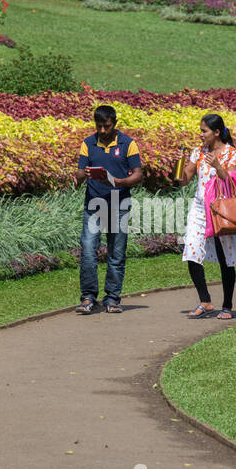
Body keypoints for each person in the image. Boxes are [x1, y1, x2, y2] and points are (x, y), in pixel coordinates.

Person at [179, 113, 236, 319]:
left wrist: (218, 166)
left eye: (204, 131)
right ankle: (205, 301)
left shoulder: (232, 155)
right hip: (200, 209)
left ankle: (227, 305)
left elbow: (234, 185)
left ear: (217, 132)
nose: (200, 134)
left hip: (222, 210)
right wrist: (180, 166)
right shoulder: (198, 153)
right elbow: (184, 181)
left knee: (225, 257)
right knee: (191, 249)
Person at [72, 105, 142, 314]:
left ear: (115, 123)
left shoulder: (128, 143)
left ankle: (112, 298)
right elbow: (78, 171)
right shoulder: (88, 143)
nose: (102, 130)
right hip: (94, 204)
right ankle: (87, 298)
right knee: (88, 252)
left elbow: (138, 174)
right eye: (99, 126)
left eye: (107, 126)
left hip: (119, 204)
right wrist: (82, 174)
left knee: (116, 253)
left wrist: (120, 181)